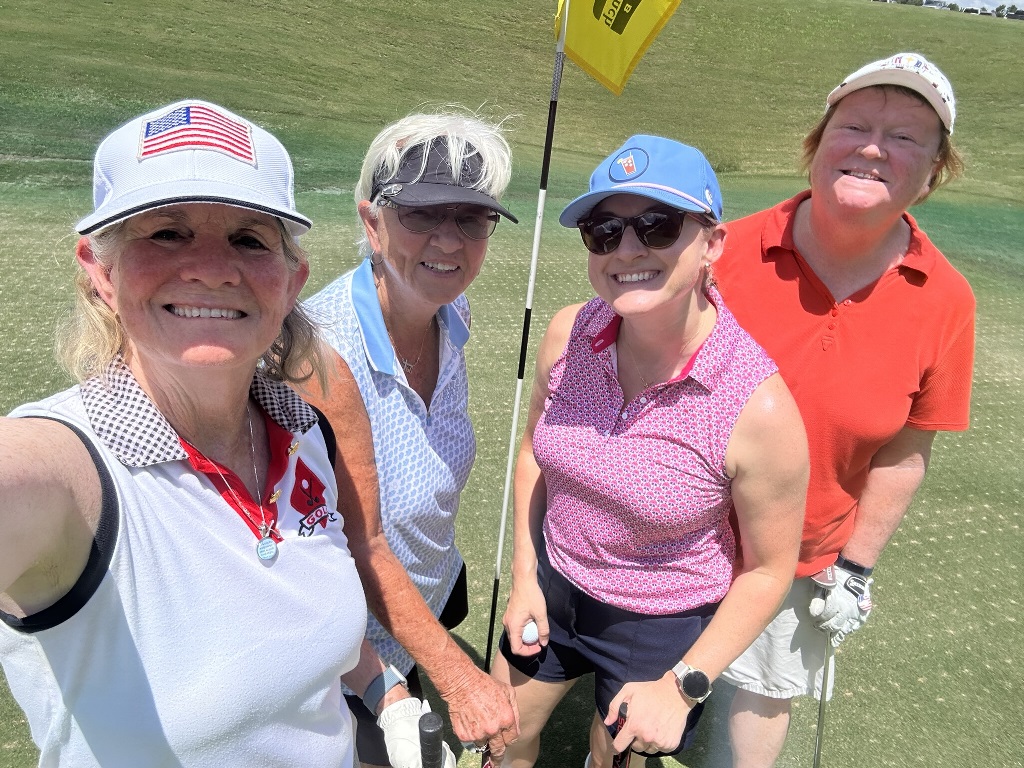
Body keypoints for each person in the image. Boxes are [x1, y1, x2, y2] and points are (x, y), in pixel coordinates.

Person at [0, 99, 454, 768]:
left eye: (249, 238)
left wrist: (384, 693)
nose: (212, 267)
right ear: (99, 271)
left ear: (291, 279)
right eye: (165, 233)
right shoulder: (66, 466)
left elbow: (304, 617)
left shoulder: (303, 435)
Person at [489, 135, 810, 768]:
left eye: (657, 226)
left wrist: (683, 685)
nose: (628, 250)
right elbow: (535, 453)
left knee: (615, 758)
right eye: (604, 232)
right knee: (503, 736)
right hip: (554, 580)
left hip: (657, 620)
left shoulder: (758, 407)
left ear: (713, 243)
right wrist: (525, 575)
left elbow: (770, 571)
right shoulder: (570, 332)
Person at [713, 53, 975, 768]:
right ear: (816, 144)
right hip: (677, 530)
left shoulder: (945, 299)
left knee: (764, 693)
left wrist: (856, 569)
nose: (871, 147)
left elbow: (905, 450)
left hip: (801, 552)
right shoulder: (721, 250)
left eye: (905, 137)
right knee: (640, 682)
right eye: (854, 125)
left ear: (933, 172)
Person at [300, 110, 521, 766]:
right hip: (343, 656)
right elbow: (346, 546)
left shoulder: (454, 314)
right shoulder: (316, 353)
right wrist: (457, 677)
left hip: (415, 615)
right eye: (422, 215)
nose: (448, 241)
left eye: (471, 218)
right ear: (372, 222)